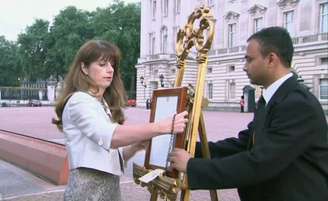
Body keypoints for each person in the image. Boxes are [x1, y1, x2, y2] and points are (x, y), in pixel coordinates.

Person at [169, 27, 328, 201]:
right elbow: (243, 145)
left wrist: (193, 167)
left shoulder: (297, 104)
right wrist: (190, 147)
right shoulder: (273, 98)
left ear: (271, 59)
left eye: (249, 60)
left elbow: (261, 163)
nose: (244, 67)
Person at [53, 40, 188, 201]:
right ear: (84, 68)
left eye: (112, 65)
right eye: (102, 64)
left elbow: (109, 156)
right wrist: (162, 126)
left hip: (107, 191)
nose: (110, 70)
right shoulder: (79, 100)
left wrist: (136, 146)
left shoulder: (100, 103)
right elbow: (111, 137)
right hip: (87, 193)